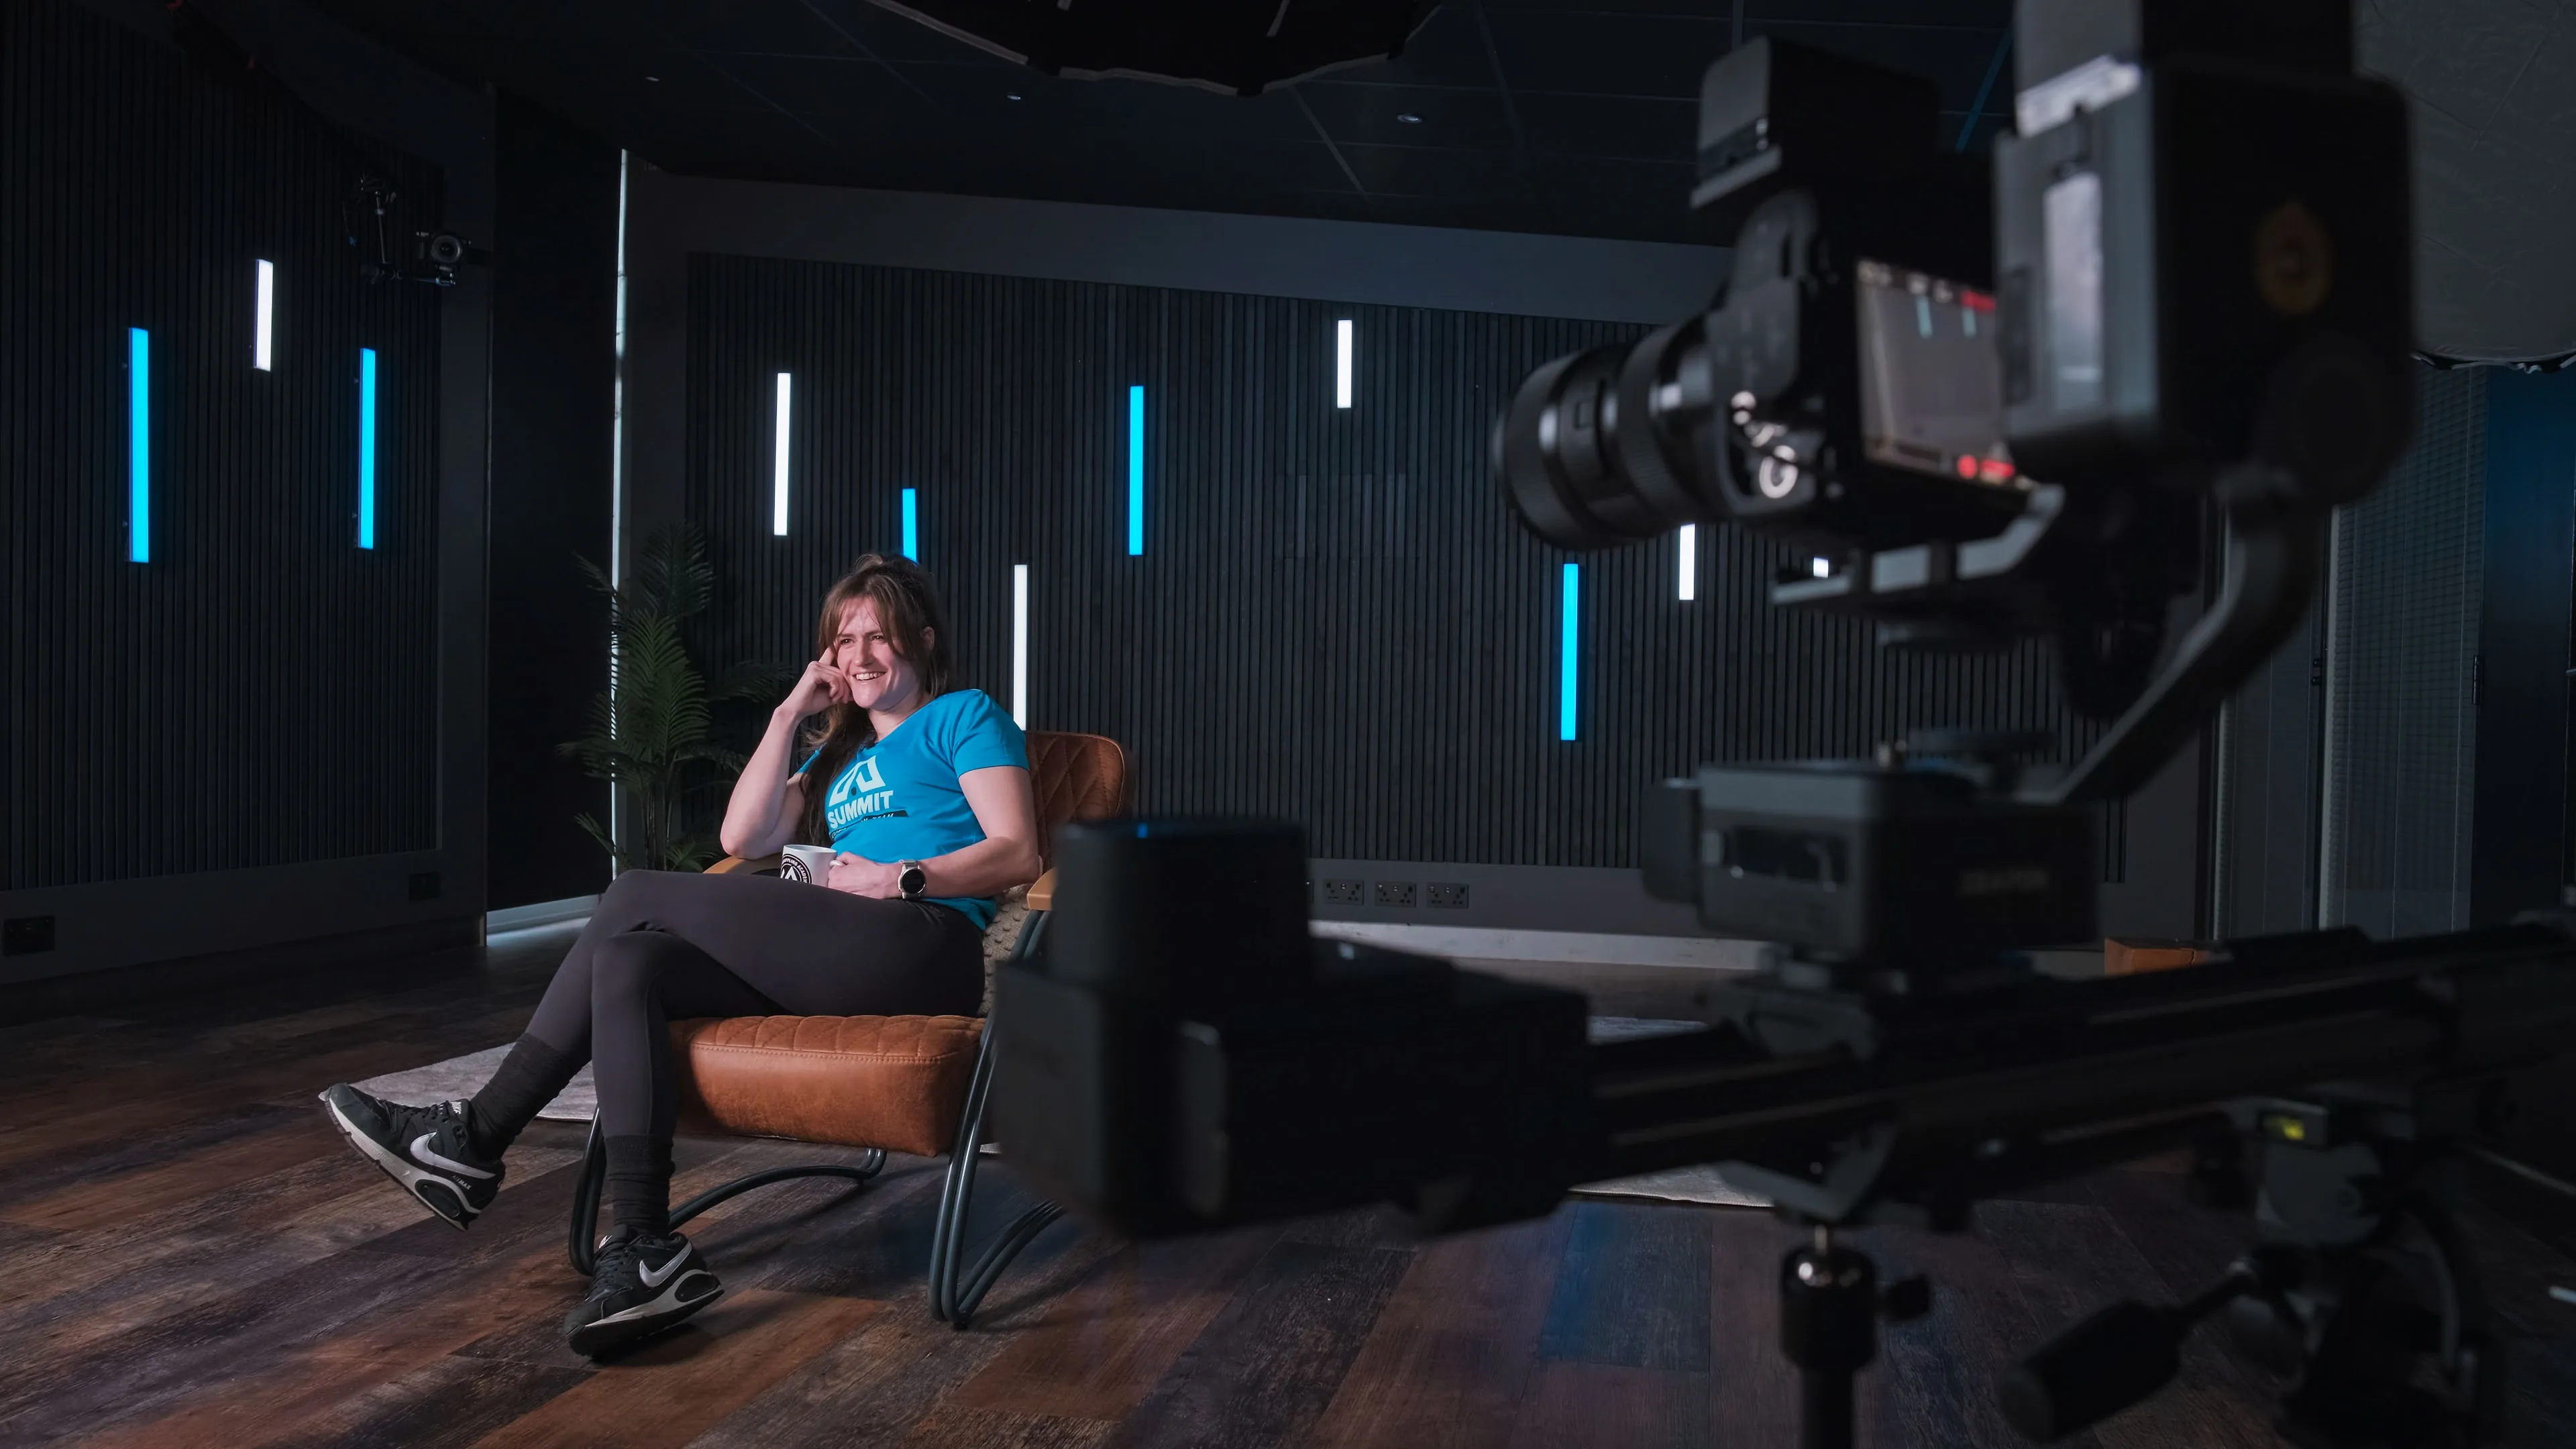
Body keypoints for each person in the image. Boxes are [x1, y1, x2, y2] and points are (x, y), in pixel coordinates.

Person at [319, 553, 1038, 1356]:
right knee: (628, 962)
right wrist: (787, 716)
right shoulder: (837, 759)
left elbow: (1018, 851)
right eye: (844, 640)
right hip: (834, 951)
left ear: (924, 642)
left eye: (881, 637)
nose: (860, 655)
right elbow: (743, 837)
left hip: (922, 945)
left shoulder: (964, 716)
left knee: (634, 895)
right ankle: (643, 1244)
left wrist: (901, 877)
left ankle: (477, 1137)